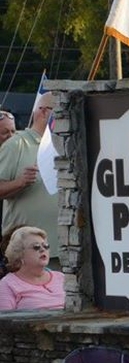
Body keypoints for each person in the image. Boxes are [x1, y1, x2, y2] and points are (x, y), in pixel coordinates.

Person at [0, 94, 57, 258]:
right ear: (44, 112)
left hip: (63, 247)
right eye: (60, 110)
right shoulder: (16, 145)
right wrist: (20, 182)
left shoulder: (64, 143)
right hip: (26, 253)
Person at [0, 226, 64, 311]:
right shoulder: (7, 284)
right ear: (19, 254)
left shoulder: (62, 278)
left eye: (46, 246)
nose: (42, 249)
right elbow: (5, 322)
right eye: (36, 247)